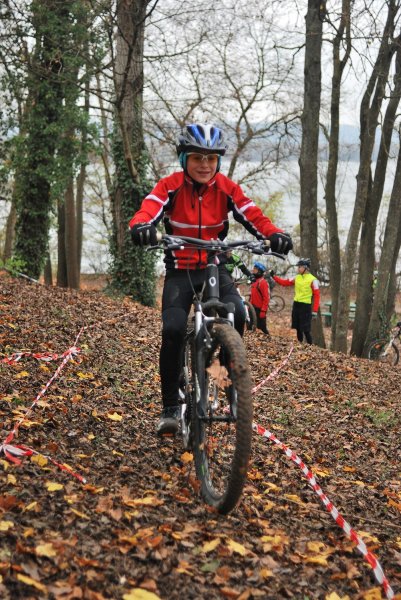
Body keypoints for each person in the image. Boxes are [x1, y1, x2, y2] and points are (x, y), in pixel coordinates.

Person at [129, 122, 293, 436]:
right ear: (183, 159)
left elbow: (252, 213)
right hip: (181, 269)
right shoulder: (170, 186)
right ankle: (170, 409)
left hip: (215, 266)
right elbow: (148, 209)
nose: (205, 165)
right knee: (174, 329)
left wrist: (274, 235)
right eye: (197, 158)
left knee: (238, 314)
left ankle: (227, 382)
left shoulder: (227, 188)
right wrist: (140, 226)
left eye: (211, 159)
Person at [271, 258, 320, 344]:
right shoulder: (296, 277)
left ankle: (311, 347)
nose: (298, 269)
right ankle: (300, 344)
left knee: (306, 329)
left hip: (306, 306)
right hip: (296, 305)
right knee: (298, 327)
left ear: (306, 268)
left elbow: (317, 295)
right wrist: (274, 276)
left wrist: (315, 311)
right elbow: (284, 282)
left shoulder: (313, 279)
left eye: (299, 267)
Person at [249, 262, 270, 335]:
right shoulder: (254, 281)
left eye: (255, 269)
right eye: (254, 268)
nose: (253, 270)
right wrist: (250, 306)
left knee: (262, 328)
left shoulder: (263, 282)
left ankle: (269, 339)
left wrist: (263, 311)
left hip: (260, 309)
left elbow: (266, 298)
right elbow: (252, 295)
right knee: (250, 327)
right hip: (252, 308)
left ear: (260, 271)